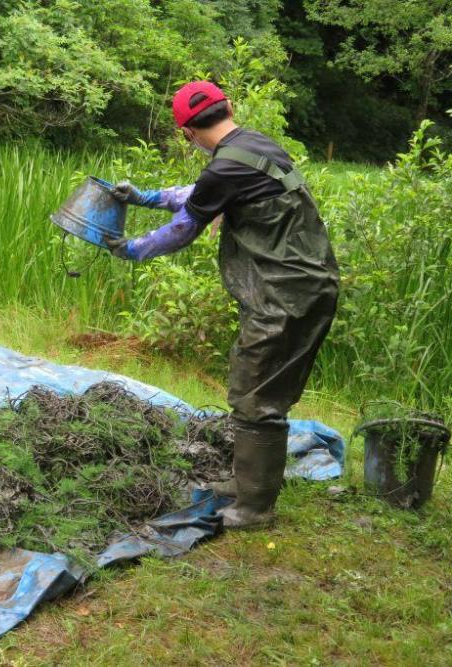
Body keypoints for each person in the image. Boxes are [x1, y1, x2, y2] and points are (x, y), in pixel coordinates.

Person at [106, 81, 340, 528]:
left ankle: (254, 508)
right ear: (228, 108)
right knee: (253, 384)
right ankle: (246, 482)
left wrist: (133, 249)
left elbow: (185, 226)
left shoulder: (225, 167)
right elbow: (203, 192)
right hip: (302, 286)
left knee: (257, 395)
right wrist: (147, 197)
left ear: (187, 134)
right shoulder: (254, 146)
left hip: (285, 295)